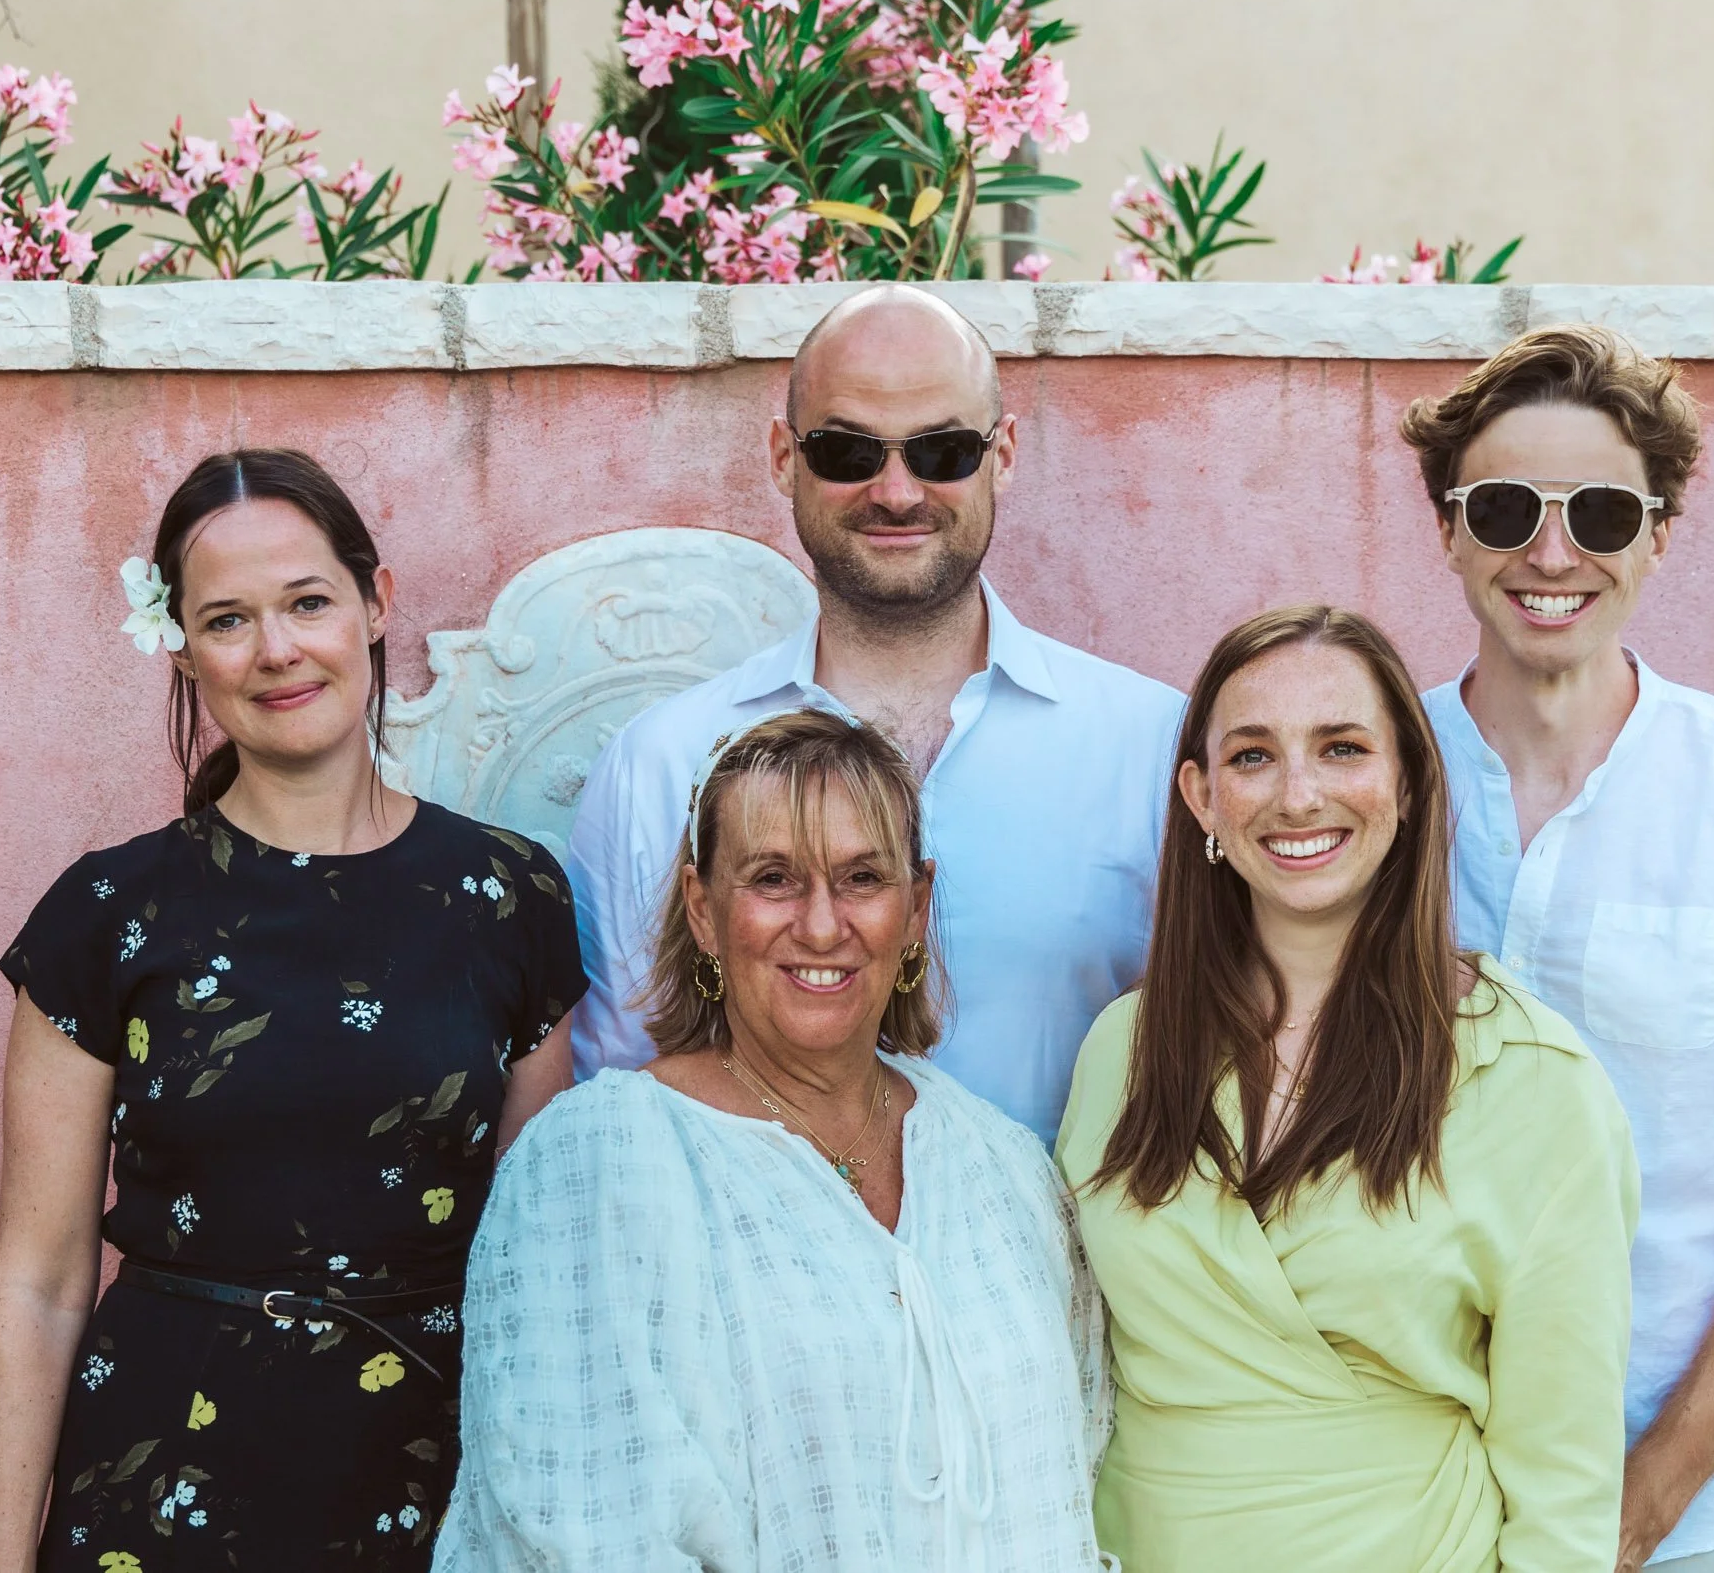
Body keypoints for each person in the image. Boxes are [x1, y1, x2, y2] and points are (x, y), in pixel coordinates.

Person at [0, 449, 584, 1572]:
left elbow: (533, 1260)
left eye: (307, 601)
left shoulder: (509, 896)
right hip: (156, 1487)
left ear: (375, 602)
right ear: (182, 647)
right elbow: (41, 1276)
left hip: (434, 1483)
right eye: (227, 619)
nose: (277, 650)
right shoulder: (107, 911)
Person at [1402, 325, 1714, 1571]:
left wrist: (1639, 1505)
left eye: (1606, 514)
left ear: (1661, 534)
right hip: (1405, 1501)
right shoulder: (1360, 789)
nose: (1553, 550)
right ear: (1450, 530)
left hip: (1696, 1518)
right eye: (1508, 506)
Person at [434, 708, 1110, 1570]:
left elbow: (1082, 1459)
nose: (823, 925)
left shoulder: (1001, 1164)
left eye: (863, 876)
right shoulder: (601, 1165)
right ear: (703, 908)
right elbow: (583, 1528)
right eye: (774, 878)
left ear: (916, 909)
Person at [1057, 604, 1639, 1572]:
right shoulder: (1122, 1049)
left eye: (1340, 748)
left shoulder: (1533, 1080)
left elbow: (1564, 1478)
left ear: (1405, 780)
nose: (1297, 793)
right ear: (1200, 797)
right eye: (1251, 756)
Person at [565, 283, 1184, 1143]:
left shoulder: (1150, 745)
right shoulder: (662, 763)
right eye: (847, 451)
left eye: (943, 450)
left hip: (1068, 1271)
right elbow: (624, 1108)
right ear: (785, 457)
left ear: (1001, 454)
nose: (896, 492)